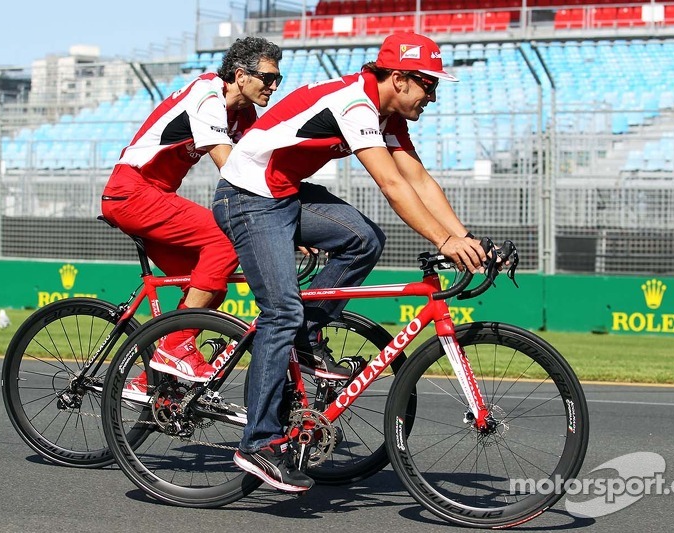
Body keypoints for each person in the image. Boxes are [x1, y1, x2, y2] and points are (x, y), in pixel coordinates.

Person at [212, 32, 491, 492]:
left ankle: (305, 336)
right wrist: (443, 239)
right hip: (247, 198)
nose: (433, 98)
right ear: (399, 79)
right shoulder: (355, 105)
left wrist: (465, 239)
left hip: (285, 194)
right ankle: (258, 443)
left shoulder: (386, 115)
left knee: (364, 239)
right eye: (429, 86)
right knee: (281, 311)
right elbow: (392, 185)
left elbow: (417, 178)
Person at [100, 37, 281, 397]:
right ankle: (173, 348)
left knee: (210, 283)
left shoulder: (243, 113)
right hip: (132, 190)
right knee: (225, 242)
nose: (274, 86)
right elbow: (232, 169)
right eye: (268, 77)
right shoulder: (207, 94)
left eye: (279, 78)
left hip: (153, 195)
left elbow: (259, 164)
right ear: (241, 75)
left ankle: (151, 376)